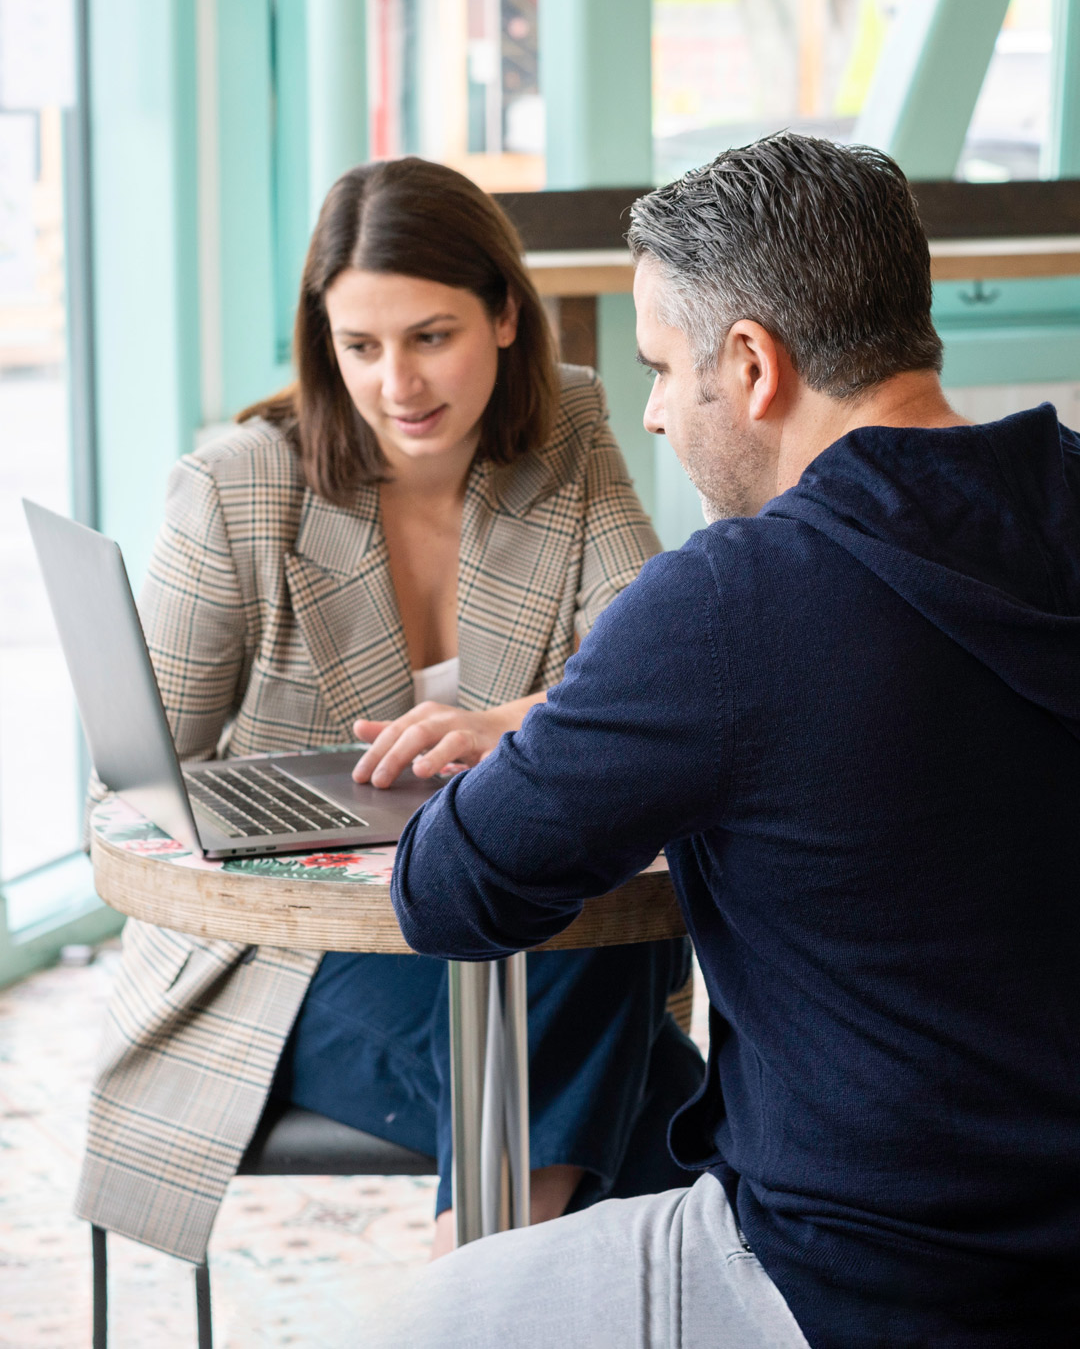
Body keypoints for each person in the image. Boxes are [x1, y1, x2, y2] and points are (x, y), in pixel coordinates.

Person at [376, 133, 1080, 1347]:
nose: (651, 413)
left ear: (753, 365)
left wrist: (586, 720)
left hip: (864, 1283)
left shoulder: (728, 604)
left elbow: (447, 892)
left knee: (431, 1323)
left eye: (660, 367)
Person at [75, 157, 703, 1266]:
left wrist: (513, 722)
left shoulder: (567, 427)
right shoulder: (238, 487)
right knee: (682, 1102)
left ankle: (466, 1297)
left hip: (506, 920)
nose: (396, 383)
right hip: (289, 957)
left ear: (504, 316)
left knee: (581, 962)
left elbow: (653, 671)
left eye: (430, 336)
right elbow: (135, 781)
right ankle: (476, 1303)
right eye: (359, 347)